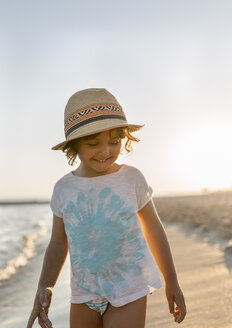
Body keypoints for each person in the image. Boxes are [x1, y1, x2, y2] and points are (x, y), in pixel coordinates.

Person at [27, 88, 186, 328]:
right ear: (74, 146)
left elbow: (153, 228)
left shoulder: (131, 178)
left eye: (114, 142)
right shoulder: (64, 188)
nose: (106, 152)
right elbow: (59, 242)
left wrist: (171, 280)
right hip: (83, 293)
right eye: (93, 144)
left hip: (129, 289)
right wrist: (45, 285)